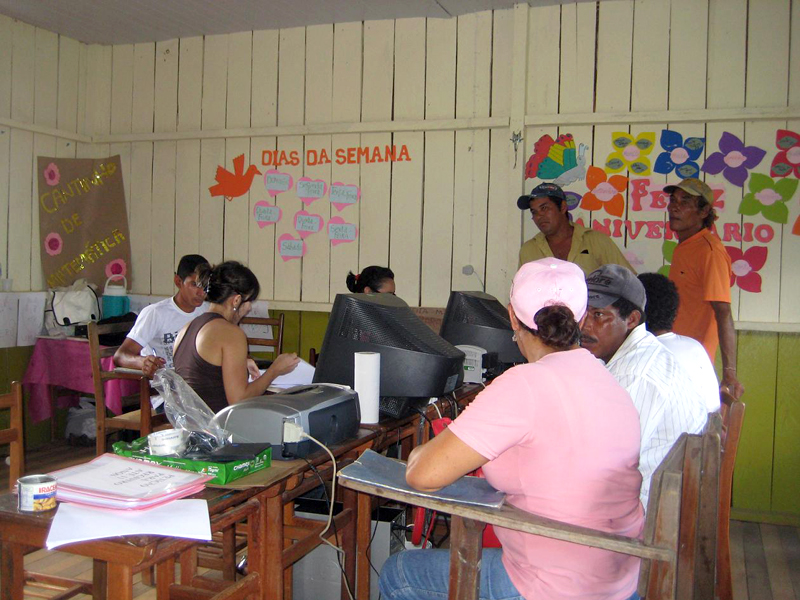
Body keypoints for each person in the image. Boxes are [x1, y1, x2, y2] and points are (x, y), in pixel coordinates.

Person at [380, 258, 644, 600]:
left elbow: (422, 475)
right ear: (581, 319)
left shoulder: (524, 384)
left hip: (554, 587)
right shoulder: (606, 378)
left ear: (512, 317)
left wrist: (420, 452)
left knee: (399, 572)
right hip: (616, 581)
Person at [580, 264, 708, 507]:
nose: (584, 325)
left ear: (632, 319)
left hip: (650, 511)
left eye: (598, 315)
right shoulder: (636, 353)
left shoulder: (635, 375)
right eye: (582, 313)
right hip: (659, 497)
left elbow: (607, 466)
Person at [172, 261, 300, 412]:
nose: (249, 308)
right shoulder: (231, 333)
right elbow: (239, 400)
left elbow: (203, 375)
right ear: (237, 300)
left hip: (191, 423)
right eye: (249, 301)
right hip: (220, 424)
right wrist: (275, 370)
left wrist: (239, 362)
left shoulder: (187, 328)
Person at [664, 178, 743, 398]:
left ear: (704, 211)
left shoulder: (710, 252)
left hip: (694, 364)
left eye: (685, 201)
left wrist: (729, 374)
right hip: (675, 356)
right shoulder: (685, 247)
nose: (674, 207)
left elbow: (723, 312)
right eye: (673, 200)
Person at [114, 254, 209, 378]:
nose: (201, 293)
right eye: (194, 284)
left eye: (205, 286)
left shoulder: (208, 311)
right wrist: (143, 362)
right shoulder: (155, 313)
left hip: (200, 383)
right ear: (178, 281)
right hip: (166, 387)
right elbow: (120, 356)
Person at [638, 273, 720, 413]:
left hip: (684, 427)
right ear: (674, 312)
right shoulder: (694, 346)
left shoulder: (646, 353)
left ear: (634, 315)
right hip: (711, 425)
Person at [517, 182, 634, 275]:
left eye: (544, 208)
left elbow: (629, 282)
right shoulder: (528, 250)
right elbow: (521, 291)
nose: (539, 216)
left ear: (563, 207)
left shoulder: (596, 241)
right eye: (534, 212)